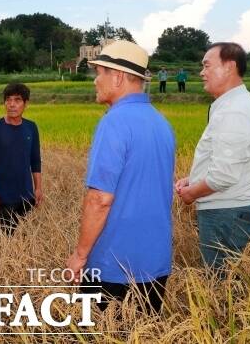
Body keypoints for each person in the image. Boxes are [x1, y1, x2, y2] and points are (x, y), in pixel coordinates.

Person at [66, 40, 175, 314]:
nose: (95, 81)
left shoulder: (114, 122)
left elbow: (100, 199)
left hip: (113, 267)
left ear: (117, 77)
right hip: (155, 265)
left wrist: (80, 256)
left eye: (99, 73)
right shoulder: (161, 123)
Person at [175, 42, 250, 273]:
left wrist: (192, 193)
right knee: (224, 285)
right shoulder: (229, 105)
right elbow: (224, 162)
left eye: (207, 65)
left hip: (225, 214)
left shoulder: (234, 110)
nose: (201, 72)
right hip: (226, 212)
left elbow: (223, 175)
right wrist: (194, 178)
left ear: (229, 67)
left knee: (221, 289)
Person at [0, 83, 42, 235]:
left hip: (27, 195)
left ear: (26, 103)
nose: (12, 105)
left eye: (17, 100)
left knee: (24, 238)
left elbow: (35, 161)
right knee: (5, 239)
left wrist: (38, 188)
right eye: (8, 100)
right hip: (3, 197)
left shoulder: (31, 127)